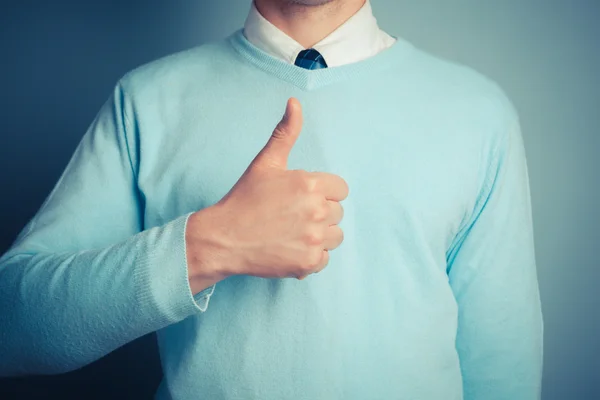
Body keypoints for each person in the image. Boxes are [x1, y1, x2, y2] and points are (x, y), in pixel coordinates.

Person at [0, 0, 543, 399]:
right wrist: (208, 247)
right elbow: (11, 327)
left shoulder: (478, 114)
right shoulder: (145, 101)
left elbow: (504, 371)